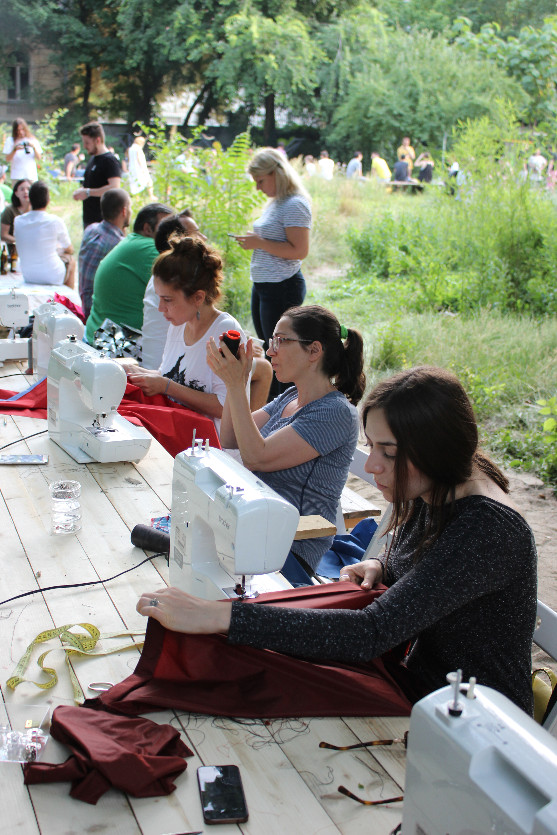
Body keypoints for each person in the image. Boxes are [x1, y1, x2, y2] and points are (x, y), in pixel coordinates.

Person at [137, 365, 537, 715]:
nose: (373, 464)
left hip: (475, 726)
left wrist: (215, 616)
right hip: (423, 689)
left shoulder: (487, 528)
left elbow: (368, 633)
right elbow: (431, 566)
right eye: (372, 446)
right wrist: (382, 565)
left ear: (435, 449)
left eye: (389, 452)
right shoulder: (440, 485)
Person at [204, 304, 365, 585]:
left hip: (291, 547)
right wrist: (236, 383)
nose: (269, 351)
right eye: (271, 341)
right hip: (260, 529)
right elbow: (231, 438)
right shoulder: (291, 396)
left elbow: (256, 457)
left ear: (314, 351)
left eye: (280, 341)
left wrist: (235, 384)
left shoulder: (335, 412)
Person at [125, 235, 248, 435]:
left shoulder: (224, 333)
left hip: (211, 447)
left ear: (198, 297)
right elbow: (171, 377)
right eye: (159, 298)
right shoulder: (179, 324)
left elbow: (226, 407)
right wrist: (136, 372)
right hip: (179, 432)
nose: (160, 308)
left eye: (167, 299)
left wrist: (166, 386)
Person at [233, 147, 312, 398]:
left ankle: (282, 407)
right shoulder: (278, 202)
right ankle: (272, 405)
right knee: (270, 348)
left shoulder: (295, 204)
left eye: (260, 181)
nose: (258, 188)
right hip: (266, 284)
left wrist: (259, 243)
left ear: (276, 173)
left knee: (280, 354)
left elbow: (300, 250)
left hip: (281, 286)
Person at [85, 202, 173, 343]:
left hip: (97, 336)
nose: (174, 234)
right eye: (166, 228)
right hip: (114, 346)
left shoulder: (131, 243)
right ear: (147, 228)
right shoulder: (150, 249)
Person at [78, 188, 132, 319]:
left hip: (85, 304)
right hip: (99, 314)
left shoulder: (90, 229)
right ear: (124, 211)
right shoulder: (120, 246)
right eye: (130, 208)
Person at [14, 180, 75, 287]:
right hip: (53, 275)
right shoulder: (55, 221)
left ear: (30, 200)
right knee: (71, 261)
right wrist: (59, 250)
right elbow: (70, 249)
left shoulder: (18, 221)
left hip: (28, 275)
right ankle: (68, 300)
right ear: (48, 200)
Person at [73, 122, 121, 228]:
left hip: (103, 221)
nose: (84, 146)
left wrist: (88, 192)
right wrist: (81, 191)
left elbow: (115, 187)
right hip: (89, 219)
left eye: (87, 143)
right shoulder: (93, 159)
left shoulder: (110, 161)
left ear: (98, 140)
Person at [2, 119, 42, 183]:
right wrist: (15, 149)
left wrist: (33, 147)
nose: (21, 132)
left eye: (22, 129)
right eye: (18, 130)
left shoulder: (32, 139)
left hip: (30, 175)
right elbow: (7, 159)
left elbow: (39, 158)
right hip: (17, 175)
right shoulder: (10, 140)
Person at [1, 179, 30, 255]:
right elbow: (3, 235)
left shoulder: (36, 210)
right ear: (16, 193)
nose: (26, 192)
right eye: (22, 189)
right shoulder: (9, 211)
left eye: (28, 189)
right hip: (13, 251)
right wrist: (20, 241)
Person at [127, 135, 154, 199]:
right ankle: (151, 196)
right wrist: (144, 169)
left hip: (132, 169)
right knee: (149, 181)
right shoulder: (138, 149)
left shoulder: (131, 149)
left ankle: (137, 198)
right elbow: (140, 159)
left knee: (135, 185)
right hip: (139, 169)